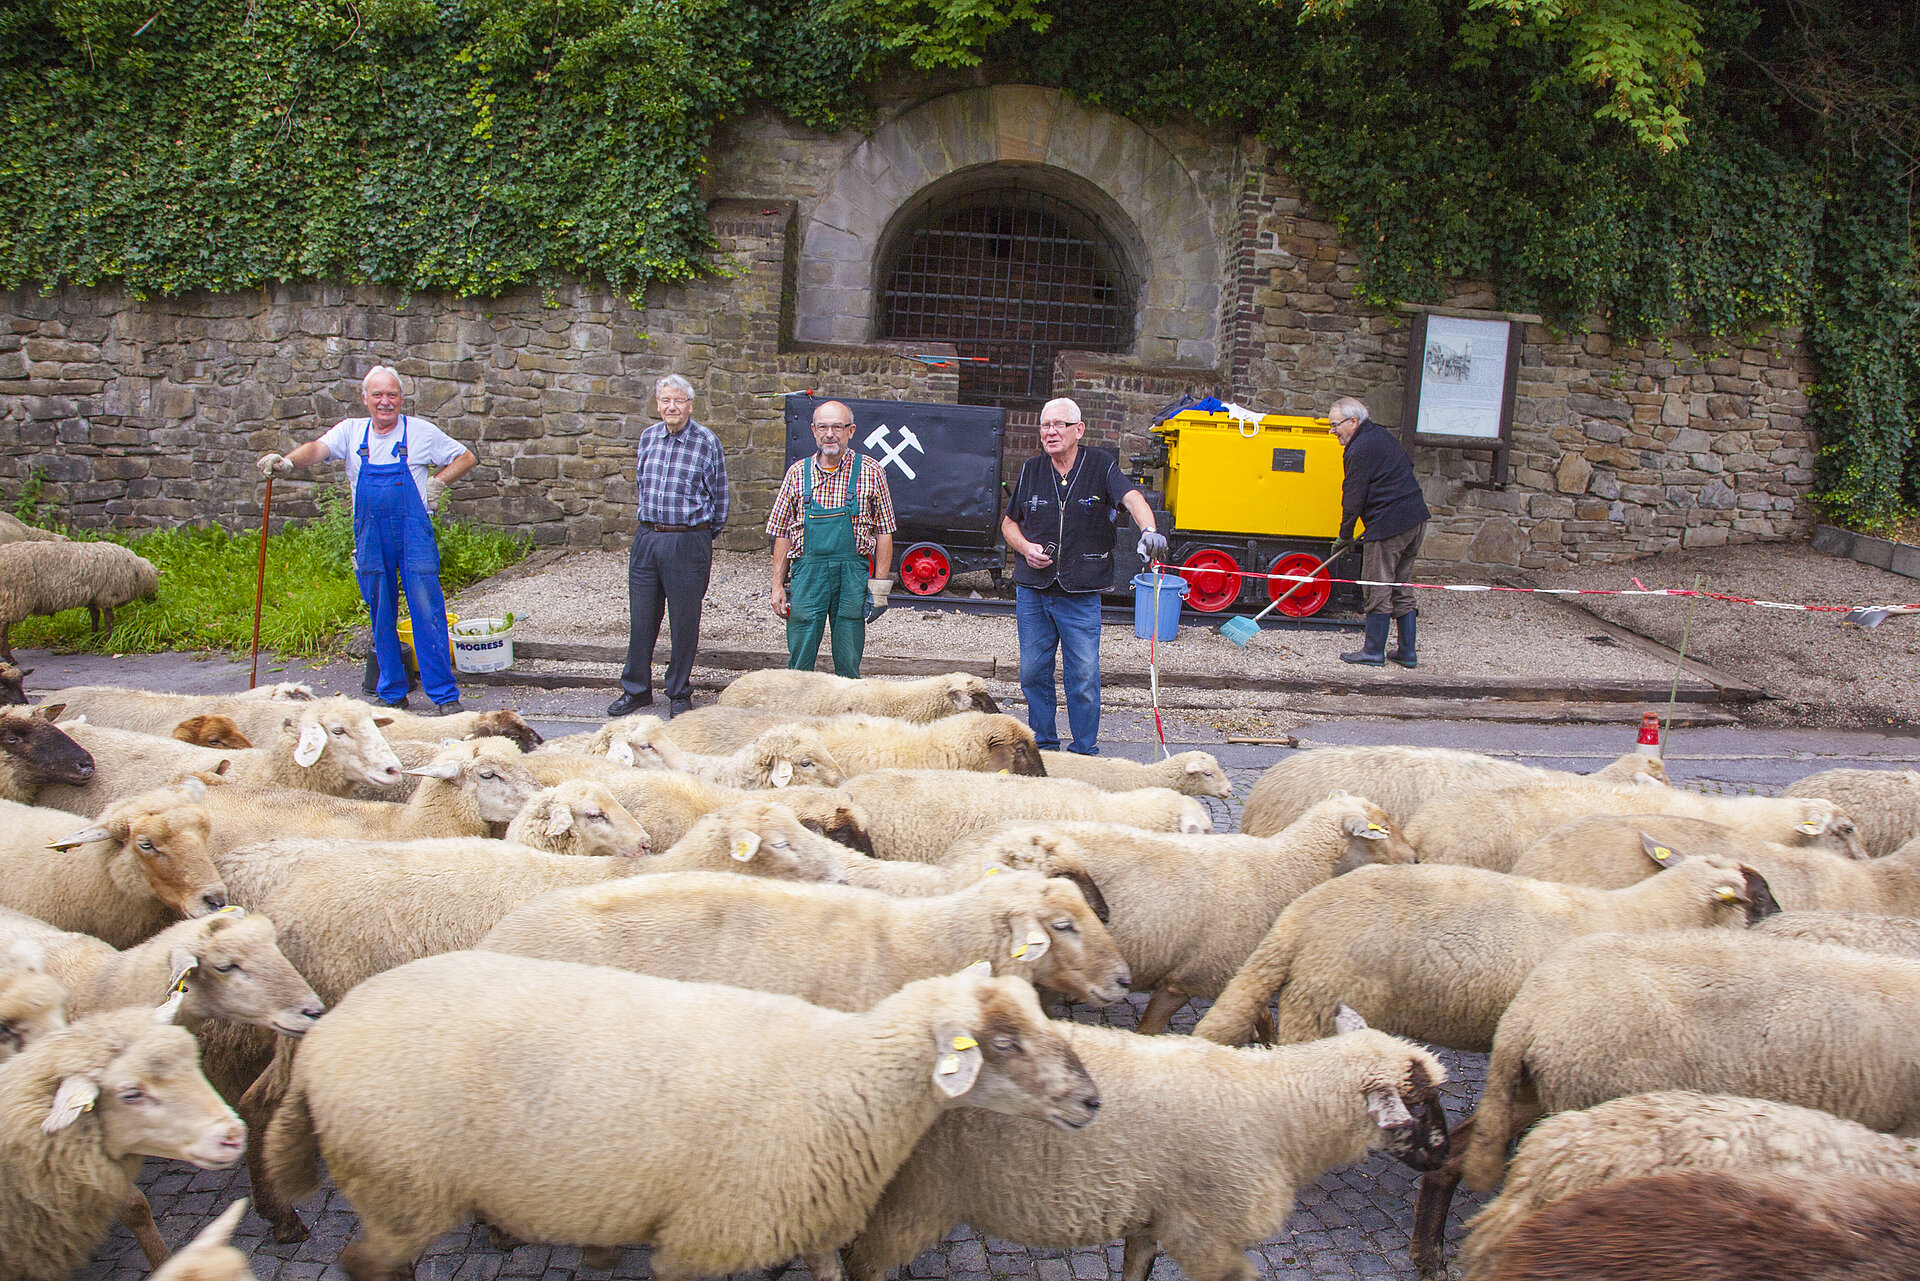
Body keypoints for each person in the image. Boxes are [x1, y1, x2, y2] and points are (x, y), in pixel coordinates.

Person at [257, 365, 477, 713]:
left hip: (413, 533)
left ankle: (444, 696)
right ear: (365, 398)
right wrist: (286, 463)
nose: (385, 402)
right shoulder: (350, 432)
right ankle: (391, 693)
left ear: (401, 399)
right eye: (378, 395)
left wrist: (437, 484)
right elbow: (316, 449)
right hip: (371, 535)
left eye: (392, 395)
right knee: (380, 612)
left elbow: (466, 457)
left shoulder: (421, 432)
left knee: (427, 610)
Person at [1001, 397, 1166, 755]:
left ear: (1079, 430)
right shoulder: (1031, 469)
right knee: (1032, 674)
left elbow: (1133, 498)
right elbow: (1009, 523)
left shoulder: (1101, 466)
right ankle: (1043, 747)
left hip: (1080, 592)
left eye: (1059, 424)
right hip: (1033, 590)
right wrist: (1025, 547)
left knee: (1084, 679)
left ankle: (1084, 752)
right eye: (1045, 425)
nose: (1051, 432)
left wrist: (1149, 529)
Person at [609, 374, 729, 719]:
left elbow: (720, 498)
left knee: (684, 619)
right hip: (647, 537)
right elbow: (640, 485)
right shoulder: (648, 438)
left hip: (687, 539)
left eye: (678, 401)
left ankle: (678, 691)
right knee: (642, 617)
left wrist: (700, 537)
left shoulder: (707, 441)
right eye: (665, 400)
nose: (671, 407)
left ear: (690, 405)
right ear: (657, 404)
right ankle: (636, 690)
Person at [766, 400, 897, 676]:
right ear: (814, 431)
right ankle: (798, 710)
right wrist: (777, 585)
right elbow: (782, 532)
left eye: (837, 427)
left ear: (851, 431)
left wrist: (880, 588)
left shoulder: (871, 471)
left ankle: (846, 712)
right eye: (823, 427)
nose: (829, 434)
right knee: (800, 648)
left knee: (849, 653)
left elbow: (885, 531)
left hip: (851, 575)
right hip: (807, 574)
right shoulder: (796, 474)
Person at [1330, 395, 1431, 667]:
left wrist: (1345, 535)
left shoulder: (1359, 447)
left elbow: (1352, 497)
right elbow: (1405, 468)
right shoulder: (1382, 437)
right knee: (1401, 584)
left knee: (1378, 585)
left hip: (1388, 525)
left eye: (1335, 425)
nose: (1333, 431)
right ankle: (1407, 653)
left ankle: (1373, 651)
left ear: (1353, 421)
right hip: (1415, 519)